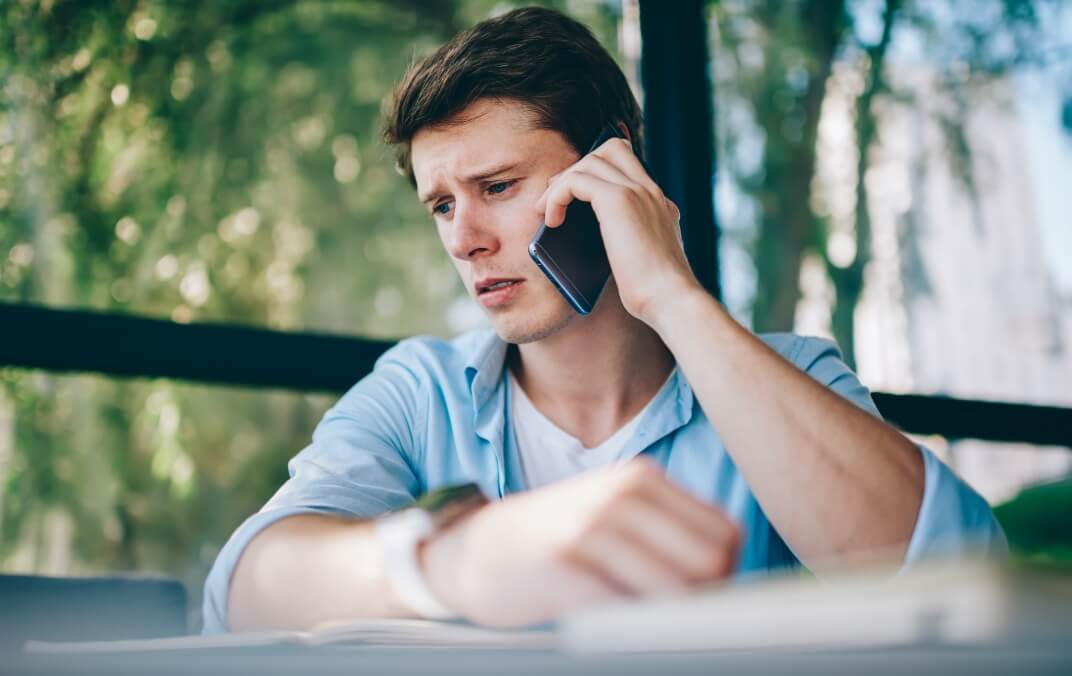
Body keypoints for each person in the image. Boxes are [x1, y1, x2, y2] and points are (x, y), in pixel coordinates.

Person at [203, 6, 1004, 633]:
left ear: (611, 163)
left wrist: (674, 299)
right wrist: (456, 560)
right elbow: (244, 591)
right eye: (441, 204)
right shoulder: (422, 393)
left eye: (499, 186)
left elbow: (965, 574)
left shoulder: (789, 378)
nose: (463, 238)